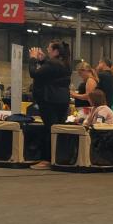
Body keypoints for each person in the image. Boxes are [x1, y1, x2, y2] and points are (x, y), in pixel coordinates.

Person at [29, 40, 72, 170]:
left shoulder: (53, 63)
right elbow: (49, 74)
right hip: (62, 101)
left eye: (49, 48)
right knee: (58, 129)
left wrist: (33, 59)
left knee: (49, 129)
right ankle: (58, 157)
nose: (47, 50)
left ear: (56, 51)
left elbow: (34, 74)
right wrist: (42, 61)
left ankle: (46, 159)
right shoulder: (65, 64)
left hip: (50, 101)